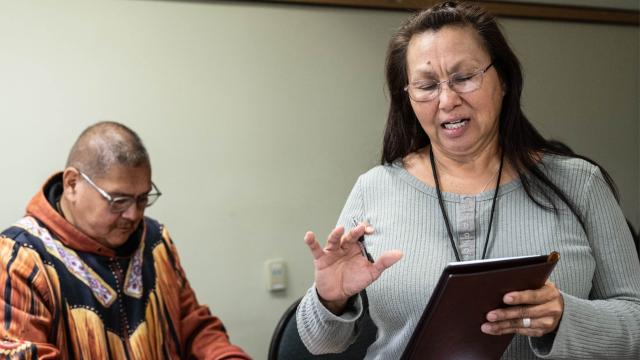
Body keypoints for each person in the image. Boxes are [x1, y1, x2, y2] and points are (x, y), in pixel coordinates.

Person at [296, 1, 640, 359]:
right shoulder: (374, 188)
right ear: (409, 98)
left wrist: (566, 317)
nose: (447, 99)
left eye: (464, 77)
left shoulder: (580, 184)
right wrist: (330, 298)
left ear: (503, 79)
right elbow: (321, 343)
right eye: (426, 85)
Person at [0, 121, 251, 359]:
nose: (133, 215)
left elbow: (191, 326)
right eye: (118, 201)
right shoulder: (19, 260)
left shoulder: (154, 240)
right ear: (72, 184)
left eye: (142, 199)